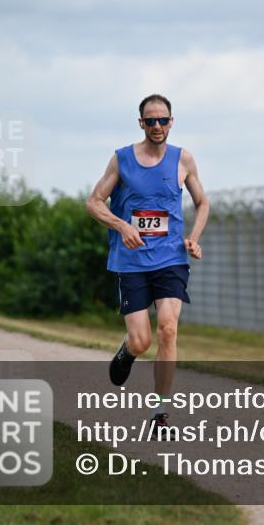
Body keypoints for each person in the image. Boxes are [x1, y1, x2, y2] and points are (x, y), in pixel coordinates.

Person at [87, 94, 209, 436]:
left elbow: (203, 203)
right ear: (141, 123)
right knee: (141, 340)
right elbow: (94, 202)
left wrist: (194, 237)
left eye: (163, 120)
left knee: (168, 328)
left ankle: (161, 411)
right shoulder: (122, 159)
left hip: (171, 257)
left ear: (172, 122)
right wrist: (122, 225)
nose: (157, 126)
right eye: (151, 121)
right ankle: (128, 351)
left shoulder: (183, 159)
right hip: (132, 260)